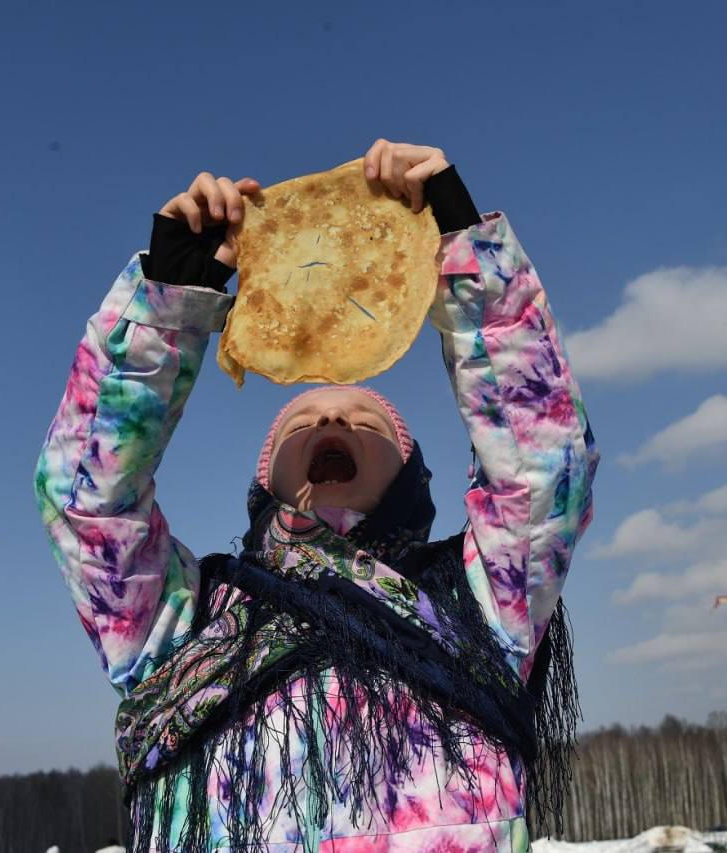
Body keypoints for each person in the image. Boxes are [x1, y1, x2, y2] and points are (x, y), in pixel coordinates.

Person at [35, 139, 598, 852]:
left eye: (365, 419)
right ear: (265, 483)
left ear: (411, 478)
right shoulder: (182, 622)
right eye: (302, 419)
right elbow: (86, 503)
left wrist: (468, 252)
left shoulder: (482, 603)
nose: (330, 417)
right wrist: (163, 307)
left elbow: (543, 465)